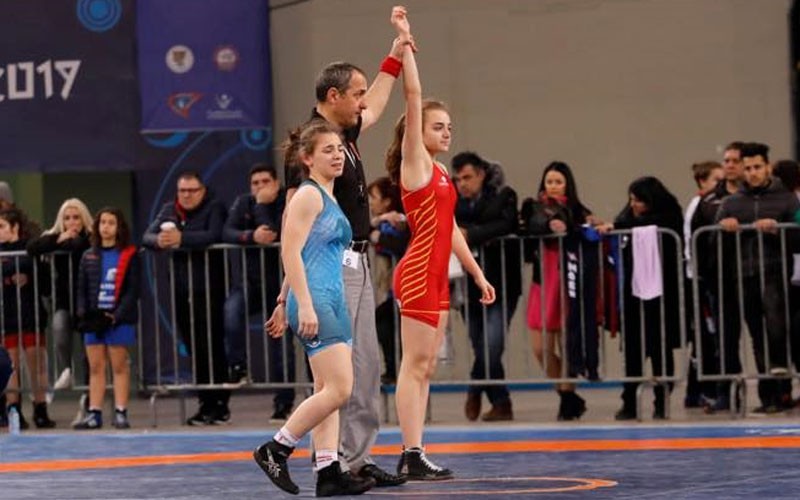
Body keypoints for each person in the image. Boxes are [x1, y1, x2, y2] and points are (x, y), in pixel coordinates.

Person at [269, 6, 410, 487]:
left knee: (364, 368)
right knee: (337, 378)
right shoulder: (312, 150)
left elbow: (378, 102)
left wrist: (394, 56)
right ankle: (315, 457)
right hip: (329, 270)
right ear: (333, 97)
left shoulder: (340, 135)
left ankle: (349, 459)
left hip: (355, 262)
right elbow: (294, 229)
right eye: (355, 94)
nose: (362, 102)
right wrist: (290, 291)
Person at [387, 8, 495, 479]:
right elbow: (412, 95)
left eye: (449, 126)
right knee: (414, 365)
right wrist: (405, 42)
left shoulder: (444, 174)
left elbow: (451, 229)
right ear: (417, 132)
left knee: (427, 367)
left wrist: (476, 272)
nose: (446, 131)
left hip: (437, 276)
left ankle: (416, 449)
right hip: (415, 273)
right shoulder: (415, 165)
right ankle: (410, 453)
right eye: (437, 126)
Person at [255, 120, 373, 497]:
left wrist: (281, 301)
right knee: (340, 389)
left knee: (326, 388)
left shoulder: (328, 196)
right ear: (307, 158)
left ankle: (328, 471)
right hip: (317, 299)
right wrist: (301, 304)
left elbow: (303, 252)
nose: (338, 155)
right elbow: (288, 250)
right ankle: (276, 447)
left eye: (339, 149)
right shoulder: (307, 196)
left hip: (327, 297)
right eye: (328, 150)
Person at [715, 142, 800, 413]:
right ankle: (769, 396)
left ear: (767, 167)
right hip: (743, 273)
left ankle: (780, 369)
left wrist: (778, 230)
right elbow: (712, 241)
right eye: (748, 167)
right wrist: (724, 229)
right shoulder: (730, 202)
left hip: (775, 271)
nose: (752, 173)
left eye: (757, 167)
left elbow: (798, 237)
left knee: (776, 322)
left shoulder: (786, 198)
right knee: (756, 335)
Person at [143, 172, 230, 425]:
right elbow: (147, 236)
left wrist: (182, 239)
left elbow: (215, 235)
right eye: (183, 191)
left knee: (211, 346)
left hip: (209, 287)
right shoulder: (170, 209)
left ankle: (218, 404)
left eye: (192, 191)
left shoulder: (214, 207)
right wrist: (159, 240)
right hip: (181, 289)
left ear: (203, 190)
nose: (187, 196)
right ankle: (206, 402)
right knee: (193, 346)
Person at [598, 177, 683, 420]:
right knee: (633, 350)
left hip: (662, 292)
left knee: (660, 349)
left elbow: (652, 225)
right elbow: (622, 222)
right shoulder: (628, 217)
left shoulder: (669, 214)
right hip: (634, 292)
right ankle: (629, 402)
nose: (633, 205)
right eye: (631, 200)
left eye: (639, 201)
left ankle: (661, 400)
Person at [521, 161, 595, 421]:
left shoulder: (577, 210)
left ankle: (567, 398)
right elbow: (530, 228)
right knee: (541, 347)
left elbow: (587, 228)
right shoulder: (533, 207)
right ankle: (568, 396)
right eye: (549, 181)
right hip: (543, 280)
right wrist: (549, 226)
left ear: (567, 185)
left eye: (558, 182)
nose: (552, 186)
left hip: (567, 280)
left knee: (567, 345)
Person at [222, 163, 295, 421]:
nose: (260, 188)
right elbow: (227, 231)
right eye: (255, 183)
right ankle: (239, 367)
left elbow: (277, 231)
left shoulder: (287, 200)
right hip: (250, 283)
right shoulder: (243, 203)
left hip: (281, 284)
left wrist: (263, 207)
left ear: (276, 183)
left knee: (280, 345)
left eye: (265, 182)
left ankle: (283, 402)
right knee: (231, 311)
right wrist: (250, 236)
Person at [452, 151, 520, 422]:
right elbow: (451, 225)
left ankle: (475, 388)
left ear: (481, 174)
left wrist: (471, 233)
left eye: (467, 177)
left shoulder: (505, 194)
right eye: (457, 179)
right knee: (480, 345)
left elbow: (506, 224)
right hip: (469, 286)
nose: (462, 184)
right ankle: (501, 401)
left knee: (492, 345)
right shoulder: (456, 201)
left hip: (502, 282)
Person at [73, 208, 138, 430]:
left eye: (111, 223)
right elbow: (81, 288)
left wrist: (116, 315)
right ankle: (95, 412)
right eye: (102, 222)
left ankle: (120, 411)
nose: (106, 227)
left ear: (119, 227)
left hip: (119, 318)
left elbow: (133, 291)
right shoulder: (88, 255)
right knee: (95, 367)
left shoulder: (129, 254)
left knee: (119, 366)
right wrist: (83, 313)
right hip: (94, 319)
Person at [27, 198, 93, 391]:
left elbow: (80, 246)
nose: (72, 222)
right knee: (59, 327)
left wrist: (69, 241)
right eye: (67, 218)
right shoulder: (54, 236)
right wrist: (57, 240)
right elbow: (32, 247)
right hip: (64, 299)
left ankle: (89, 400)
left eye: (76, 218)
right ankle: (66, 371)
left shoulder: (91, 237)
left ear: (83, 219)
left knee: (88, 352)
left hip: (88, 301)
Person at [0, 207, 56, 429]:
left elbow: (42, 277)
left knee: (36, 363)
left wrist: (27, 274)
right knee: (10, 366)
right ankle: (14, 408)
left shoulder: (30, 249)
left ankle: (40, 408)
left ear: (15, 228)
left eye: (2, 226)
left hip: (31, 314)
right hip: (6, 317)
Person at [682, 161, 723, 408]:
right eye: (716, 181)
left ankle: (694, 391)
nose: (720, 185)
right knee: (706, 336)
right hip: (698, 279)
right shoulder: (700, 206)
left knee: (706, 337)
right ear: (702, 182)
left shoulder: (708, 205)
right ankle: (702, 390)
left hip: (703, 278)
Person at [367, 176, 409, 385]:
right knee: (382, 321)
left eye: (374, 197)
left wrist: (378, 236)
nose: (371, 203)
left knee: (393, 326)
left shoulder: (401, 221)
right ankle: (392, 369)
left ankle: (399, 370)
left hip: (409, 287)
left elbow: (402, 244)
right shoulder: (382, 222)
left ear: (387, 201)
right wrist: (377, 223)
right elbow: (361, 231)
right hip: (393, 290)